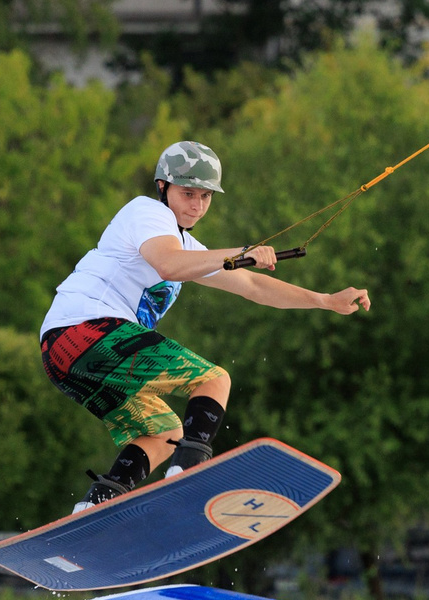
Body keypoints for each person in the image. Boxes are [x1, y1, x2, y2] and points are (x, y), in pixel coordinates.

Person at [38, 140, 371, 512]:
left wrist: (325, 300)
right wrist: (239, 253)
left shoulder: (187, 246)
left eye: (205, 197)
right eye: (188, 193)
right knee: (214, 380)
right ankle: (189, 473)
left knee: (165, 432)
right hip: (87, 332)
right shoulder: (147, 213)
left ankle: (97, 505)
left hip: (63, 359)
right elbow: (168, 265)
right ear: (163, 187)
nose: (196, 206)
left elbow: (253, 286)